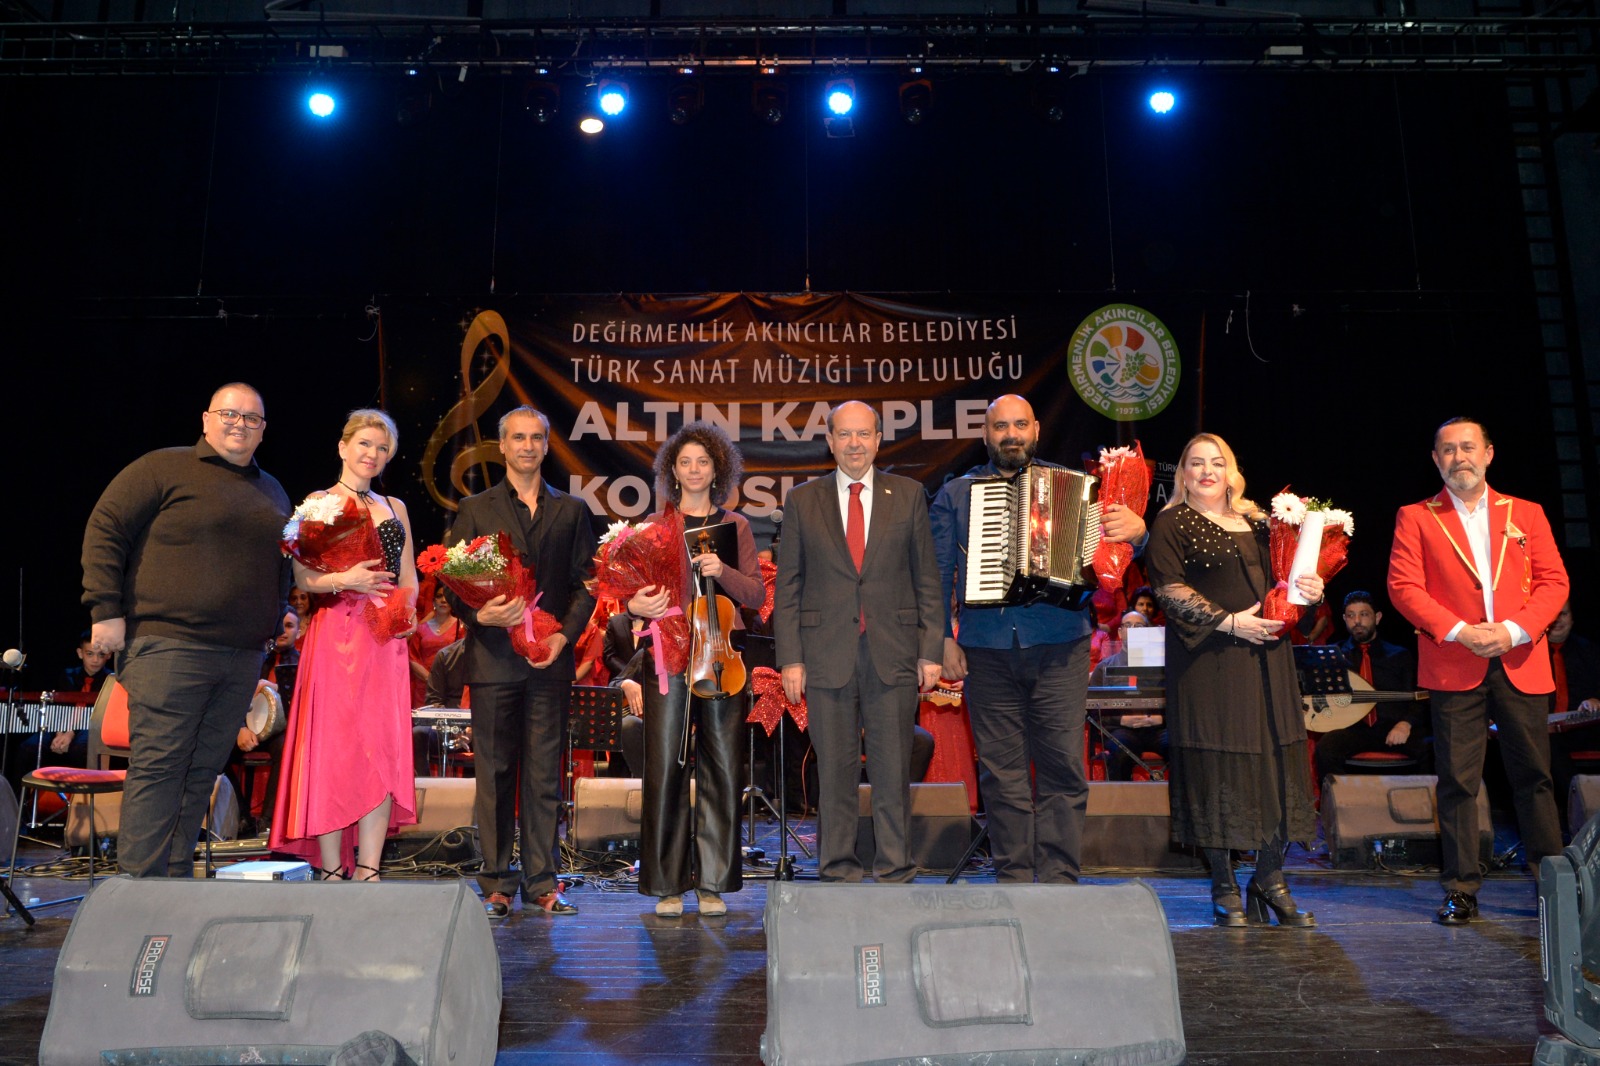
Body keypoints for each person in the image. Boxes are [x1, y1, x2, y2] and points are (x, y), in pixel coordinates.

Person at [928, 395, 1147, 882]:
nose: (1011, 434)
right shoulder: (956, 494)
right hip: (985, 649)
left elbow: (1115, 549)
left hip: (1061, 644)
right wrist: (942, 637)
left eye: (1020, 424)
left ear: (1036, 430)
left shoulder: (1076, 486)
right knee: (1000, 773)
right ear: (986, 435)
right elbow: (937, 574)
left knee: (1062, 766)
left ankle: (1059, 879)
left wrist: (1139, 533)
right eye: (1000, 426)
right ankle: (1014, 877)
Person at [80, 383, 291, 877]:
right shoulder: (161, 467)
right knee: (161, 767)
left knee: (201, 772)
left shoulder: (273, 490)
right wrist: (104, 609)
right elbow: (106, 528)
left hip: (241, 655)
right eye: (229, 414)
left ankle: (173, 884)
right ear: (205, 419)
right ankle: (141, 890)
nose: (240, 424)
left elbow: (282, 563)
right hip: (169, 645)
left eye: (252, 418)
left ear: (263, 431)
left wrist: (277, 613)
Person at [1388, 417, 1569, 924]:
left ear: (1488, 453)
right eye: (1448, 450)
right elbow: (1403, 587)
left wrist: (1512, 631)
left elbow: (1554, 582)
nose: (1459, 457)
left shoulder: (1526, 513)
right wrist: (1460, 631)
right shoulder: (1415, 516)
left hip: (1519, 658)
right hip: (1454, 662)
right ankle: (1461, 888)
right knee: (1457, 782)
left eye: (1468, 447)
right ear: (1435, 459)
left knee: (1534, 778)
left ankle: (1552, 887)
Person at [1147, 432, 1321, 928]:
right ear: (1183, 475)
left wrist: (1310, 589)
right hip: (1210, 662)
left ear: (1231, 473)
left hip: (1269, 658)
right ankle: (1223, 885)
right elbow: (1168, 589)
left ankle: (1270, 880)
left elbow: (1287, 584)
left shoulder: (1262, 523)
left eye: (1217, 462)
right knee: (1218, 768)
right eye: (1196, 463)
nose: (1207, 471)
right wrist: (1228, 622)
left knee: (1275, 763)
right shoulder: (1172, 522)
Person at [773, 400, 942, 883]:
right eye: (844, 434)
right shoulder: (803, 500)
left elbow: (927, 579)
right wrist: (791, 659)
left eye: (863, 434)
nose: (854, 444)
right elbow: (788, 587)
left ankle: (894, 867)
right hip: (824, 655)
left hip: (893, 652)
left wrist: (930, 650)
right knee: (835, 774)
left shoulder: (908, 495)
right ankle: (838, 869)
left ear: (878, 439)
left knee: (892, 770)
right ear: (829, 441)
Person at [448, 406, 597, 918]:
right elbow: (452, 585)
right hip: (493, 661)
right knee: (494, 775)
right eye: (518, 438)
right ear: (503, 446)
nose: (528, 446)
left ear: (546, 445)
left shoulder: (572, 509)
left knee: (543, 779)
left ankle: (542, 882)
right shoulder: (475, 508)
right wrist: (479, 613)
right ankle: (496, 882)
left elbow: (586, 585)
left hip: (549, 663)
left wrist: (564, 637)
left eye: (536, 437)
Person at [616, 421, 765, 916]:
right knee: (666, 767)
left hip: (721, 657)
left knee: (722, 768)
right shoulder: (654, 527)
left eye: (703, 461)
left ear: (717, 470)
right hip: (669, 657)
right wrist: (635, 604)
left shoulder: (735, 526)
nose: (695, 469)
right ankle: (668, 883)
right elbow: (630, 597)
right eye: (686, 462)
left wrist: (724, 572)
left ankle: (713, 882)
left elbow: (755, 596)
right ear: (673, 472)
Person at [270, 409, 419, 881]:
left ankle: (369, 869)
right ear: (343, 447)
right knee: (333, 749)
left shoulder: (395, 506)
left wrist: (408, 611)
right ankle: (333, 869)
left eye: (382, 448)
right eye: (364, 444)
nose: (372, 454)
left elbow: (409, 575)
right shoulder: (319, 503)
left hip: (385, 638)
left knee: (381, 749)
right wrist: (345, 579)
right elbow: (302, 577)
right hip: (336, 634)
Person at [1310, 591, 1427, 786]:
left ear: (1377, 617)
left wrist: (1405, 724)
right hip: (1355, 730)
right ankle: (1343, 801)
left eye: (1364, 614)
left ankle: (1421, 803)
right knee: (1326, 749)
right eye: (1351, 615)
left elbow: (1419, 697)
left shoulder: (1399, 655)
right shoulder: (1334, 656)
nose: (1357, 621)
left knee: (1432, 750)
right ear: (1344, 619)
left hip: (1393, 727)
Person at [230, 606, 300, 838]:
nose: (283, 631)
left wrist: (275, 687)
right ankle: (243, 815)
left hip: (279, 732)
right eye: (280, 625)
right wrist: (240, 727)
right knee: (214, 749)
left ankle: (268, 820)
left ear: (299, 631)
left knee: (287, 747)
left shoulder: (303, 664)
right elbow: (231, 695)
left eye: (289, 626)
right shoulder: (252, 659)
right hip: (245, 729)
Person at [1548, 601, 1600, 831]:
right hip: (1545, 734)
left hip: (1584, 730)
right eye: (1553, 615)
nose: (1558, 620)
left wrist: (1596, 699)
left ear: (1572, 618)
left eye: (1564, 614)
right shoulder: (1528, 654)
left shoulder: (1589, 650)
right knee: (1545, 746)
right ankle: (1581, 820)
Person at [1104, 611, 1169, 782]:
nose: (1133, 630)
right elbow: (1094, 711)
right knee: (1120, 749)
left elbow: (1178, 703)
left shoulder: (1165, 667)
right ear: (1119, 633)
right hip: (1122, 730)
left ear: (1148, 632)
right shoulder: (1105, 667)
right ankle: (1120, 798)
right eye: (1128, 625)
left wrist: (1161, 719)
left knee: (1178, 746)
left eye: (1139, 626)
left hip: (1158, 729)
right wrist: (1121, 720)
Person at [408, 584, 463, 708]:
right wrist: (431, 680)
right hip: (423, 687)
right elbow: (412, 657)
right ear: (433, 601)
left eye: (447, 597)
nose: (443, 600)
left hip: (450, 688)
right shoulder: (421, 628)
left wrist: (441, 683)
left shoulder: (460, 627)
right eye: (439, 596)